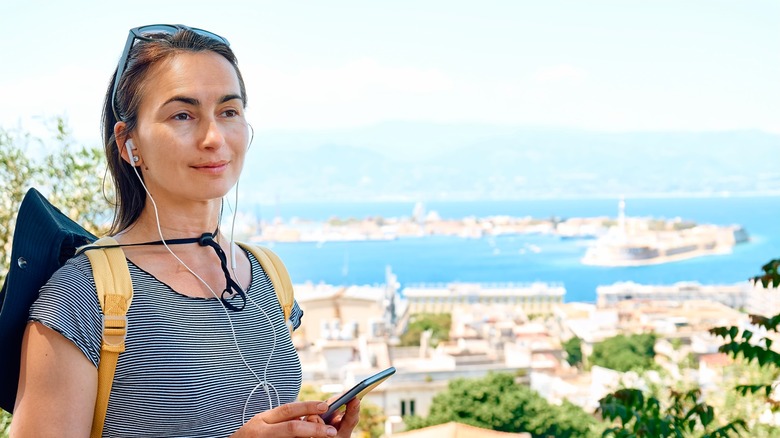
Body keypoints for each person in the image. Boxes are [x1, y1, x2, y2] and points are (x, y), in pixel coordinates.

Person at [10, 24, 359, 437]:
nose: (214, 137)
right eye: (182, 115)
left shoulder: (268, 277)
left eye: (229, 111)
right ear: (129, 144)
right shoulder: (83, 298)